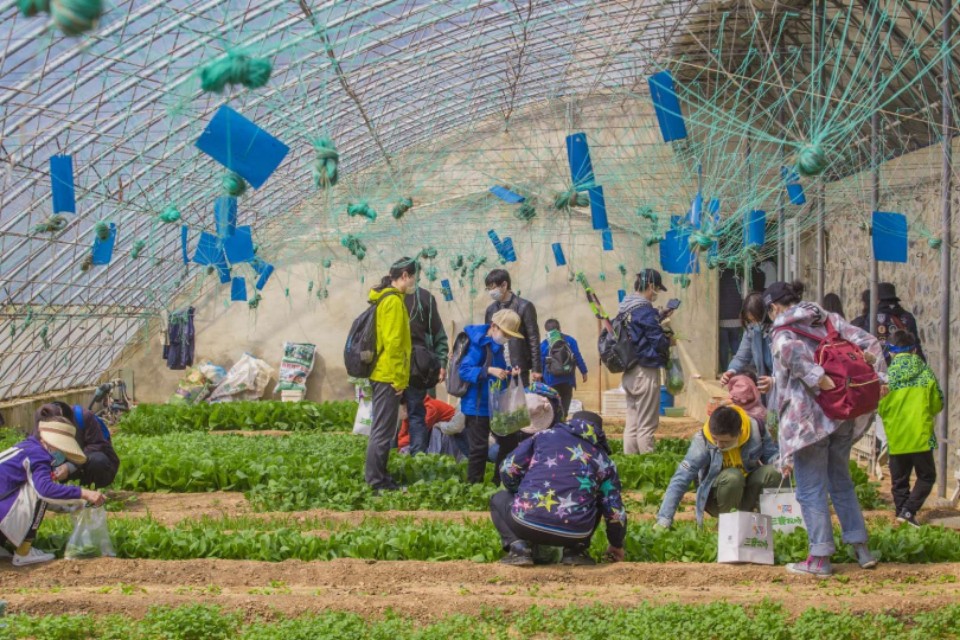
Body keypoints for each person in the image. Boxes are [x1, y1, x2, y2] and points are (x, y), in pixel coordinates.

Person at [765, 280, 885, 576]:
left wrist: (819, 379)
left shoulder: (782, 330)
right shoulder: (829, 319)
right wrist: (878, 376)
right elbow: (870, 342)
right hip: (844, 413)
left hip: (809, 421)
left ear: (773, 307)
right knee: (840, 481)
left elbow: (790, 355)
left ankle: (819, 557)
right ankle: (862, 549)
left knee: (810, 489)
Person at [491, 411, 627, 566]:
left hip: (525, 523)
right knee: (599, 499)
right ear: (599, 433)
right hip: (576, 532)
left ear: (569, 422)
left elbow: (508, 468)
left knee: (498, 499)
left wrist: (516, 490)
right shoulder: (604, 460)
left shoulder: (544, 436)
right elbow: (615, 512)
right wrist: (616, 544)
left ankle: (519, 548)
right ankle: (576, 551)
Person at [1, 418, 106, 567]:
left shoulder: (28, 447)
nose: (62, 454)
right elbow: (45, 492)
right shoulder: (39, 455)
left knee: (36, 489)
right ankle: (23, 552)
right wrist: (84, 493)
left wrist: (71, 505)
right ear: (51, 443)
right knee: (41, 492)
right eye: (61, 449)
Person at [656, 405, 780, 528]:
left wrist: (784, 463)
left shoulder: (756, 429)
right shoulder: (703, 440)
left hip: (747, 492)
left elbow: (773, 457)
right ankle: (726, 525)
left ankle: (770, 522)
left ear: (740, 433)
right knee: (733, 477)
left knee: (774, 470)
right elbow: (681, 478)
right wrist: (664, 520)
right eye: (716, 440)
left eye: (725, 441)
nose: (719, 445)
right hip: (717, 498)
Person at [878, 330, 942, 527]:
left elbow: (881, 408)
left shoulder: (887, 378)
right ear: (914, 350)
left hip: (897, 437)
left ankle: (902, 515)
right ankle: (908, 512)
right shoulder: (925, 372)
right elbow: (937, 403)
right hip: (921, 436)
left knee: (899, 481)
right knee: (927, 476)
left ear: (891, 352)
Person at [364, 258, 416, 492]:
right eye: (413, 276)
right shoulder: (393, 302)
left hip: (383, 373)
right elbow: (394, 344)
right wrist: (398, 379)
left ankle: (381, 477)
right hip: (387, 375)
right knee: (383, 431)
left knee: (384, 429)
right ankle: (376, 482)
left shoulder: (387, 299)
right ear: (404, 275)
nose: (414, 282)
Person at [459, 309, 524, 484]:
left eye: (510, 336)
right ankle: (474, 487)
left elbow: (499, 374)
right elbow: (464, 370)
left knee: (509, 442)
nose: (507, 339)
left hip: (495, 405)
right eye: (506, 334)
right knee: (479, 448)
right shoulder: (477, 344)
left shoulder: (497, 347)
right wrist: (488, 370)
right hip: (477, 406)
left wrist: (510, 374)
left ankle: (499, 481)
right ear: (494, 327)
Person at [618, 269, 671, 454]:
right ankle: (648, 466)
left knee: (632, 423)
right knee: (647, 426)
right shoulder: (644, 309)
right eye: (656, 288)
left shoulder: (625, 307)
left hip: (629, 371)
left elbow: (638, 331)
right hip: (645, 371)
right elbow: (656, 340)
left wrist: (660, 315)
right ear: (650, 286)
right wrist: (669, 340)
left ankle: (630, 465)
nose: (655, 293)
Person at [404, 272, 450, 456]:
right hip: (400, 367)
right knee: (402, 416)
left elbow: (439, 334)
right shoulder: (388, 298)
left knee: (418, 415)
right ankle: (402, 453)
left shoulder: (424, 298)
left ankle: (417, 456)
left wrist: (441, 363)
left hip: (420, 369)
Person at [35, 402, 120, 488]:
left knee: (98, 461)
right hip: (60, 468)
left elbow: (98, 445)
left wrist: (70, 466)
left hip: (84, 465)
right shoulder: (43, 420)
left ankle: (92, 490)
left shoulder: (83, 417)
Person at [484, 269, 541, 386]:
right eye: (488, 289)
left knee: (519, 402)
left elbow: (533, 338)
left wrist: (536, 368)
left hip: (518, 365)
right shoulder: (491, 310)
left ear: (504, 285)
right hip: (498, 368)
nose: (491, 292)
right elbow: (488, 337)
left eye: (492, 288)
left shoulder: (524, 306)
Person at [852, 283, 925, 362]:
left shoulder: (872, 317)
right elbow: (916, 344)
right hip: (906, 365)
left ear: (877, 299)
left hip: (881, 365)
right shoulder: (908, 317)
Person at [720, 293, 774, 395]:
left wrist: (774, 380)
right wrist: (731, 371)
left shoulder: (778, 332)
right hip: (764, 385)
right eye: (750, 320)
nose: (754, 323)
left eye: (756, 320)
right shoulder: (751, 330)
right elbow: (741, 357)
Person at [539, 319, 587, 417]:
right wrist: (584, 371)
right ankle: (563, 420)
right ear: (559, 328)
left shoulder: (544, 345)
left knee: (553, 407)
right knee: (565, 404)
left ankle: (554, 424)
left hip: (550, 381)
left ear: (546, 330)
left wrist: (540, 379)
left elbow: (541, 363)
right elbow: (577, 357)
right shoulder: (570, 341)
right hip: (568, 379)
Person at [397, 394, 466, 458]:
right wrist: (405, 419)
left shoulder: (430, 408)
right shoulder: (417, 407)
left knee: (430, 432)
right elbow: (404, 432)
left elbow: (418, 433)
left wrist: (397, 446)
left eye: (406, 407)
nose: (404, 409)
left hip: (452, 436)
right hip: (443, 432)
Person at [717, 268, 745, 374]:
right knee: (735, 344)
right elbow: (743, 297)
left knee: (723, 346)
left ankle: (725, 370)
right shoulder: (740, 278)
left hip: (722, 318)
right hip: (736, 318)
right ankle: (738, 370)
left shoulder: (719, 277)